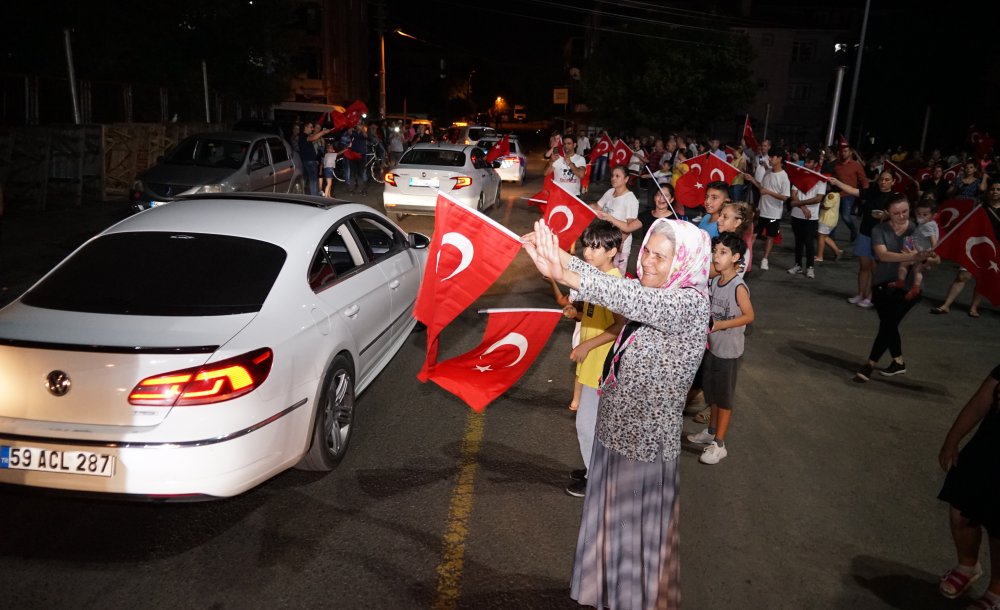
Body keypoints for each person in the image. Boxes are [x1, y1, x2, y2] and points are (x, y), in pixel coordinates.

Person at [521, 216, 710, 610]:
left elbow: (626, 297)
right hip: (613, 434)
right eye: (646, 253)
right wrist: (558, 257)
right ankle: (602, 593)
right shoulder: (652, 289)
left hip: (643, 447)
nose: (649, 263)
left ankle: (628, 600)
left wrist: (567, 273)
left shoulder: (688, 303)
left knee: (631, 541)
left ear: (685, 262)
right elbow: (622, 287)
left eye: (661, 257)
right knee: (609, 531)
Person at [563, 221, 625, 498]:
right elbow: (590, 315)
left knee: (587, 424)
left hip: (602, 364)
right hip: (591, 362)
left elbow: (620, 326)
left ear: (612, 251)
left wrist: (588, 344)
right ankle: (592, 469)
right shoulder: (595, 277)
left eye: (597, 247)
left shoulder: (614, 284)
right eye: (587, 245)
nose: (588, 252)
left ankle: (596, 479)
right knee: (591, 423)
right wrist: (573, 311)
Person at [686, 232, 755, 464]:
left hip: (729, 352)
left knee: (724, 399)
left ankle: (720, 444)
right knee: (713, 393)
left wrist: (722, 324)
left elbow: (749, 316)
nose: (716, 256)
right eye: (715, 251)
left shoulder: (738, 287)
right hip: (713, 348)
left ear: (736, 257)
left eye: (723, 252)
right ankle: (711, 431)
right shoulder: (715, 281)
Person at [854, 194, 938, 382]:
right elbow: (883, 256)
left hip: (909, 287)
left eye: (905, 211)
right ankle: (898, 362)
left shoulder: (919, 229)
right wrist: (912, 257)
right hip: (883, 284)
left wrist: (928, 257)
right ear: (887, 213)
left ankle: (869, 364)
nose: (902, 216)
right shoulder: (879, 229)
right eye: (896, 213)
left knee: (888, 324)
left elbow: (937, 258)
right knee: (888, 325)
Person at [937, 365, 1000, 607]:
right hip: (988, 447)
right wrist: (952, 439)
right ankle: (967, 564)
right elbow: (980, 401)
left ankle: (996, 592)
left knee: (998, 527)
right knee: (960, 510)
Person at [931, 182, 1000, 317]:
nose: (995, 192)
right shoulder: (980, 207)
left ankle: (973, 308)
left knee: (983, 279)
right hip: (975, 246)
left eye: (998, 189)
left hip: (995, 250)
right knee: (962, 276)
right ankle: (946, 305)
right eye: (992, 189)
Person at [830, 171, 896, 309]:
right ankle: (861, 294)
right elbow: (853, 191)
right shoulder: (871, 192)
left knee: (875, 269)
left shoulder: (894, 198)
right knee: (863, 267)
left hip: (881, 236)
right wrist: (837, 182)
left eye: (887, 180)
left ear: (893, 182)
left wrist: (886, 216)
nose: (883, 182)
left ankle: (871, 296)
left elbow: (900, 216)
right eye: (881, 179)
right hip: (865, 232)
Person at [744, 147, 790, 271]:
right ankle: (746, 257)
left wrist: (768, 192)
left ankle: (765, 259)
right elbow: (761, 188)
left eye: (772, 157)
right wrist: (752, 180)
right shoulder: (768, 172)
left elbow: (785, 197)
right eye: (770, 156)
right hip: (762, 210)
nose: (769, 159)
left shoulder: (784, 177)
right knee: (754, 233)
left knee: (770, 236)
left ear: (779, 159)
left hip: (773, 214)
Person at [592, 165, 641, 275]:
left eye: (617, 176)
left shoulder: (630, 200)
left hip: (618, 247)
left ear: (626, 179)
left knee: (616, 276)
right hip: (604, 241)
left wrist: (619, 244)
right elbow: (597, 207)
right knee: (601, 273)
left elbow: (630, 226)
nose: (613, 178)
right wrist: (579, 204)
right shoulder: (610, 192)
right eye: (613, 175)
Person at [787, 151, 826, 278]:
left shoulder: (821, 179)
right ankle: (798, 264)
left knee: (809, 242)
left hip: (812, 216)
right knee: (798, 241)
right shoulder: (799, 176)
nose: (807, 164)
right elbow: (793, 194)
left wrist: (799, 203)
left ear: (815, 164)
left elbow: (818, 198)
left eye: (809, 162)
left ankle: (810, 267)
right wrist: (803, 207)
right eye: (806, 162)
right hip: (797, 214)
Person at [889, 199, 939, 300]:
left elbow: (933, 239)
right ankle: (915, 288)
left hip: (920, 252)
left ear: (933, 215)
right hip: (921, 251)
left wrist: (933, 251)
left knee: (904, 264)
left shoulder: (927, 226)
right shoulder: (930, 224)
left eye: (925, 214)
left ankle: (901, 281)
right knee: (917, 270)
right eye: (919, 213)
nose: (920, 216)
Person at [831, 143, 870, 242]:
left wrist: (865, 194)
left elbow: (864, 180)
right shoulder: (837, 165)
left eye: (845, 151)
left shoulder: (856, 165)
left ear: (850, 152)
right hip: (837, 194)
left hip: (849, 195)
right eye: (841, 151)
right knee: (833, 216)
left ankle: (853, 230)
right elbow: (833, 178)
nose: (843, 153)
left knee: (845, 216)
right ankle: (831, 237)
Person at [297, 121, 330, 196]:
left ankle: (308, 196)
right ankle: (314, 197)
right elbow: (313, 138)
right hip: (309, 161)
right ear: (306, 127)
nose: (312, 129)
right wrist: (323, 132)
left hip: (308, 161)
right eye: (311, 127)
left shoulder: (304, 136)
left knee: (308, 180)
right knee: (313, 181)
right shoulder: (303, 136)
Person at [815, 191, 845, 262]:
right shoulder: (837, 194)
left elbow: (826, 207)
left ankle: (820, 256)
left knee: (821, 237)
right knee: (824, 237)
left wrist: (818, 203)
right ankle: (837, 251)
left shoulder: (831, 195)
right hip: (831, 219)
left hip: (826, 219)